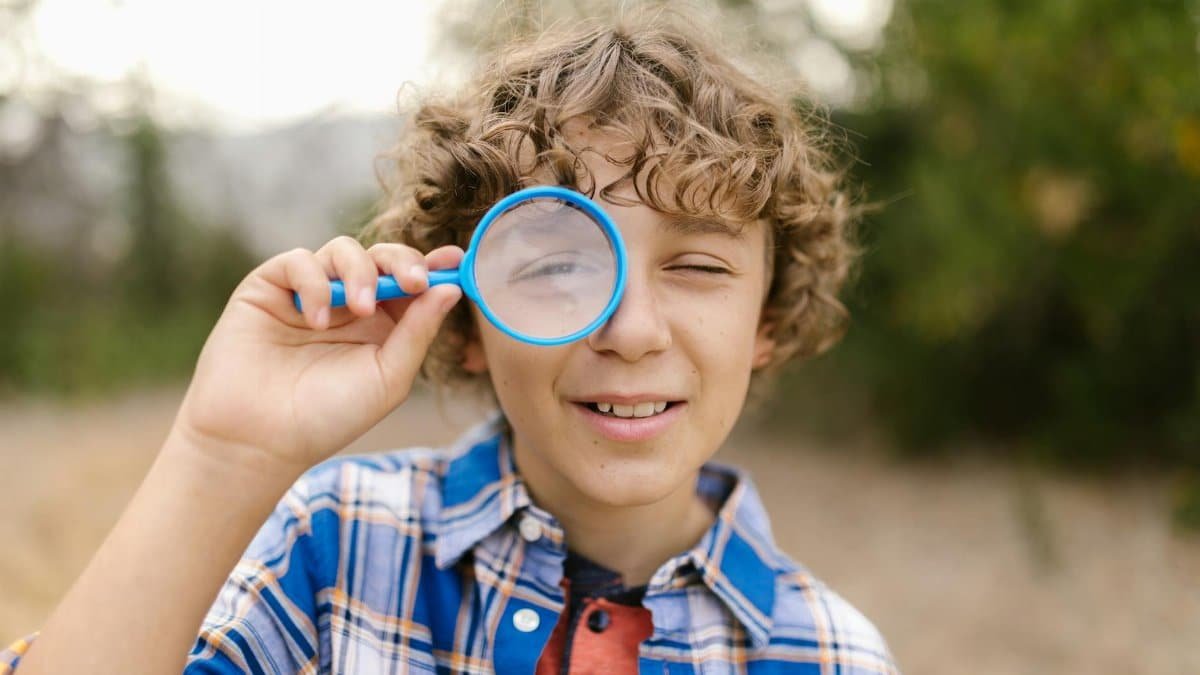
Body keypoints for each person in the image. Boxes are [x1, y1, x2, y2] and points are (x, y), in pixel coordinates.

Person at [1, 10, 900, 675]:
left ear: (769, 320)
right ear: (467, 319)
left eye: (698, 266)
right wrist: (220, 453)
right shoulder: (336, 549)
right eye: (556, 267)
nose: (629, 329)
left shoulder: (833, 654)